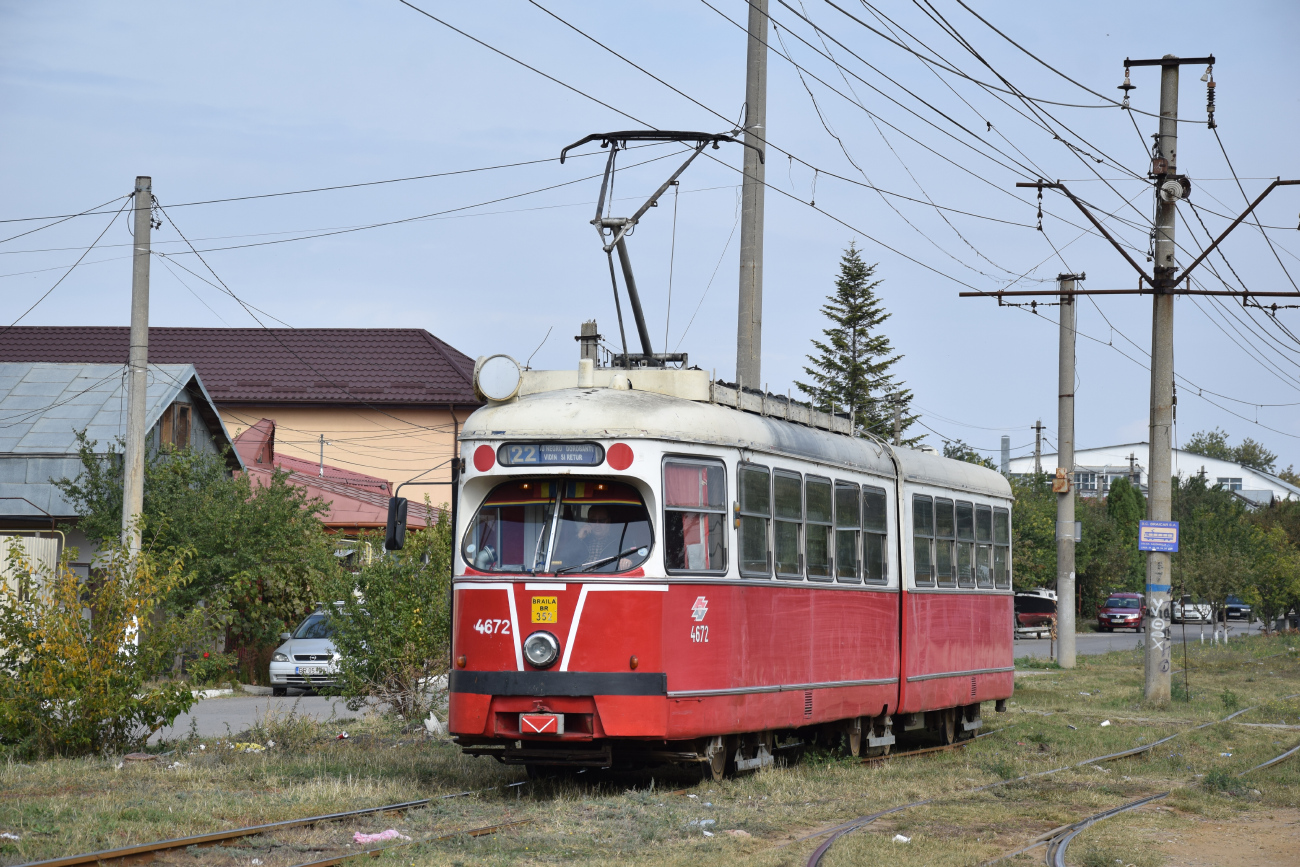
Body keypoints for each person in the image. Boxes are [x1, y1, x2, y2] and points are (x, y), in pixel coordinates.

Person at [553, 504, 638, 573]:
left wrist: (628, 560)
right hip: (578, 578)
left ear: (608, 521)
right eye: (593, 521)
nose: (597, 524)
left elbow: (635, 556)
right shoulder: (581, 540)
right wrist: (578, 538)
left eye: (601, 521)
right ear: (588, 522)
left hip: (604, 580)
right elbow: (563, 558)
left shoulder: (620, 540)